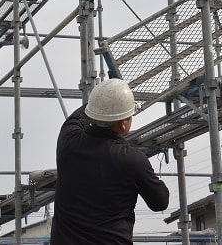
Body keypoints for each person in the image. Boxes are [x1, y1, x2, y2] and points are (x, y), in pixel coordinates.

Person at [50, 78, 169, 244]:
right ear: (123, 125)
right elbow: (160, 202)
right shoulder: (132, 160)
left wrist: (104, 97)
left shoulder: (68, 140)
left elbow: (79, 116)